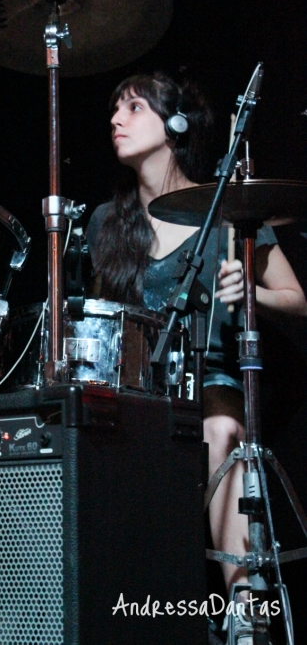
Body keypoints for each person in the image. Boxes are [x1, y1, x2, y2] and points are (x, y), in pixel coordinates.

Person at [86, 71, 307, 645]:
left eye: (134, 107)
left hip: (210, 379)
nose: (116, 119)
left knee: (221, 428)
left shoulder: (230, 210)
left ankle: (244, 606)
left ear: (175, 124)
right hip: (139, 385)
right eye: (114, 109)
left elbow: (297, 300)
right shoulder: (106, 222)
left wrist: (251, 293)